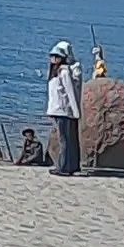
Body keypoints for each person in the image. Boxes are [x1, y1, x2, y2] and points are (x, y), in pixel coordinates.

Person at [46, 41, 82, 176]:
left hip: (65, 111)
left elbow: (70, 91)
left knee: (65, 140)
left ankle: (64, 167)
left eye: (57, 56)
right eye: (52, 56)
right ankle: (69, 166)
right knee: (66, 139)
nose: (54, 59)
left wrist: (75, 111)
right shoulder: (56, 72)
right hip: (58, 110)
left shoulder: (65, 71)